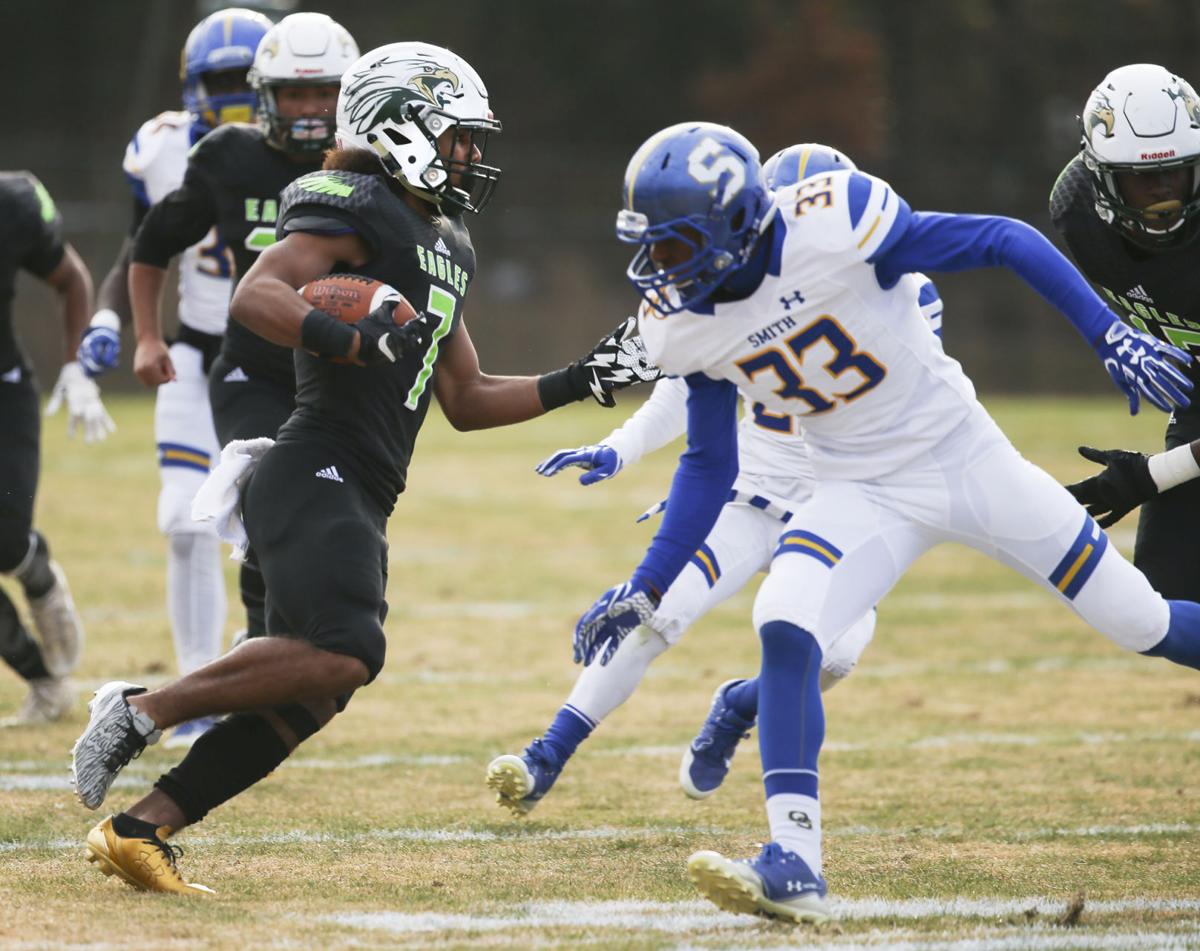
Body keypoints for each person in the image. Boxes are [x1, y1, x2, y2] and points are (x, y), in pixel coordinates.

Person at [574, 121, 1200, 925]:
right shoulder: (681, 322)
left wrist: (1108, 332)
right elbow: (708, 464)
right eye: (650, 245)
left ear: (735, 223)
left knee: (1141, 620)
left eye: (674, 244)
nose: (658, 266)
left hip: (967, 459)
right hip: (858, 487)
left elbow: (1003, 239)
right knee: (786, 619)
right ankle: (794, 863)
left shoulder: (832, 219)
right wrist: (650, 583)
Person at [70, 42, 659, 896]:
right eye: (457, 135)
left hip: (364, 486)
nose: (470, 154)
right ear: (401, 128)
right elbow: (259, 294)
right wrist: (346, 336)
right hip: (315, 461)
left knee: (313, 692)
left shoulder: (446, 240)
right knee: (348, 648)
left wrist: (583, 379)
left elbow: (466, 395)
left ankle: (140, 828)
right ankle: (141, 709)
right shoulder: (356, 202)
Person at [485, 144, 944, 814]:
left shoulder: (901, 290)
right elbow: (684, 393)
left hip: (841, 504)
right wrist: (619, 448)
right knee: (652, 614)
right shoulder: (735, 288)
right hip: (749, 497)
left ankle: (738, 706)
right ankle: (545, 755)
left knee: (835, 656)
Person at [126, 11, 359, 658]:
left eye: (325, 93)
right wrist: (147, 336)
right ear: (267, 96)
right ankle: (259, 643)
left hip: (337, 373)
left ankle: (273, 641)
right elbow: (151, 244)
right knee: (265, 495)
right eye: (294, 94)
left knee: (334, 523)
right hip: (250, 367)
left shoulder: (372, 169)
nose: (310, 110)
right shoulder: (228, 156)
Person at [81, 7, 272, 749]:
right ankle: (196, 691)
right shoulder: (162, 149)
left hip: (283, 356)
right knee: (184, 525)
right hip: (197, 352)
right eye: (216, 83)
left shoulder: (301, 153)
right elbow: (143, 247)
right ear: (192, 87)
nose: (230, 97)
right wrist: (121, 321)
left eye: (241, 81)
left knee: (275, 527)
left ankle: (265, 655)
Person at [1050, 66, 1200, 557]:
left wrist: (1156, 473)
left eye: (1175, 171)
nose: (1163, 191)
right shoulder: (1078, 212)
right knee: (1165, 591)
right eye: (1143, 178)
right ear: (1101, 178)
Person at [0, 171, 93, 725]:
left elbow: (72, 278)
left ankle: (37, 574)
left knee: (6, 537)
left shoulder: (9, 203)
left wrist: (76, 365)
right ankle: (44, 680)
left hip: (3, 388)